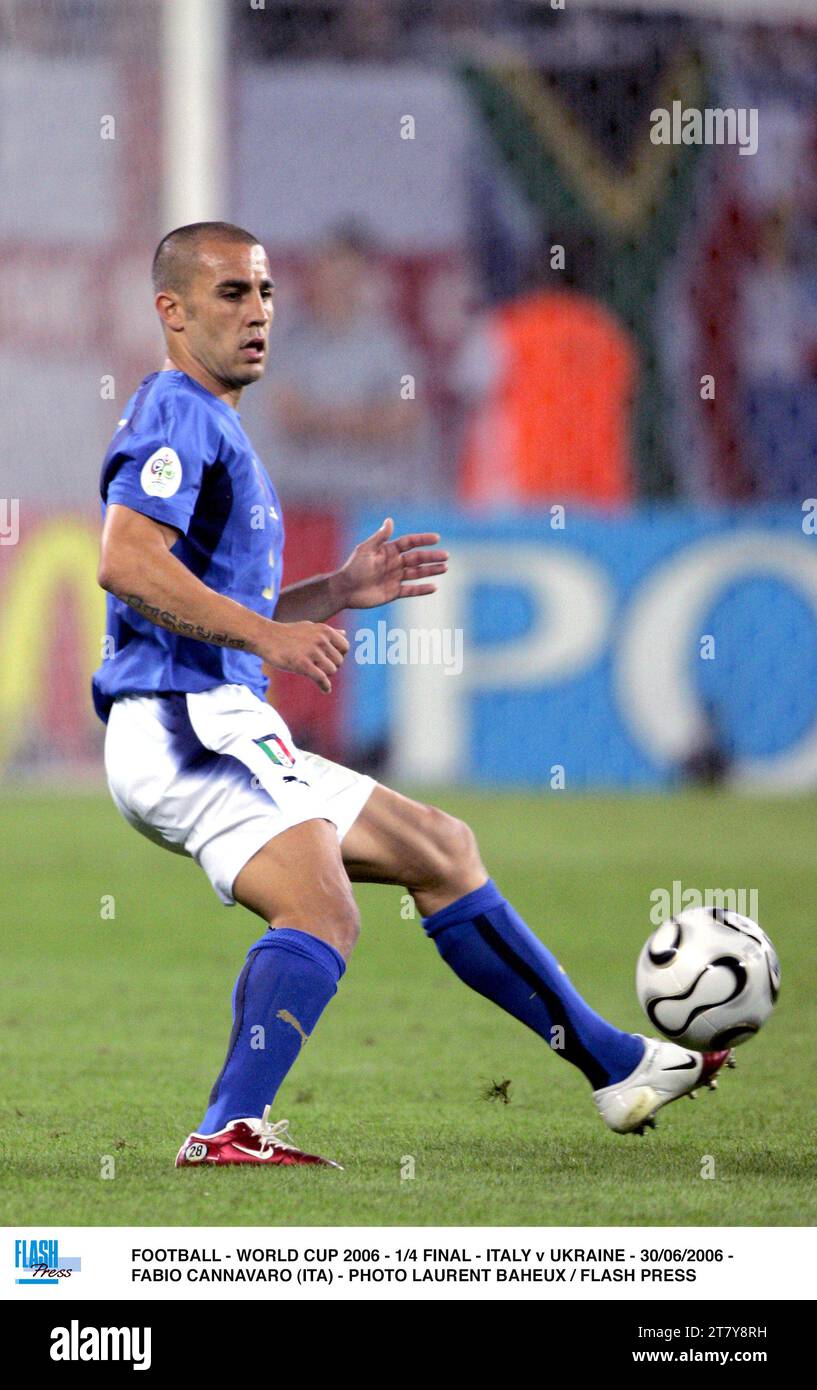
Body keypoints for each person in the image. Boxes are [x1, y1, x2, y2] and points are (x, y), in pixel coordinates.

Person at [92, 221, 731, 1169]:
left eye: (266, 292)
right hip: (183, 721)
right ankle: (227, 1130)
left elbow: (206, 594)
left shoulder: (217, 423)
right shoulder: (176, 411)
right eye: (231, 294)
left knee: (440, 849)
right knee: (321, 910)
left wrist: (334, 594)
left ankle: (616, 1065)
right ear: (171, 311)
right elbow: (125, 561)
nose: (258, 312)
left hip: (215, 717)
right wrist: (269, 635)